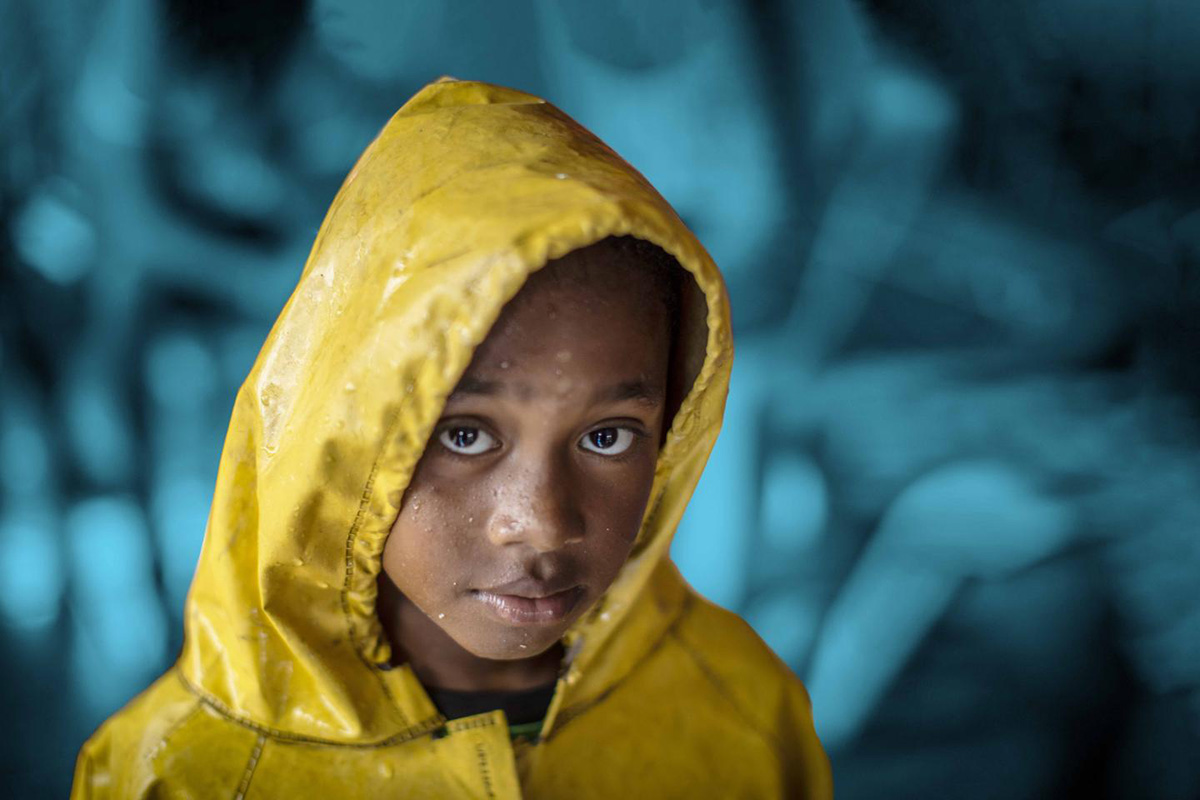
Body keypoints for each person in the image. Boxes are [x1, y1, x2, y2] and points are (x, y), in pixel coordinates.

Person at [70, 77, 832, 798]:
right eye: (465, 435)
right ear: (344, 432)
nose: (540, 522)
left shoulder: (741, 712)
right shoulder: (183, 774)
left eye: (607, 436)